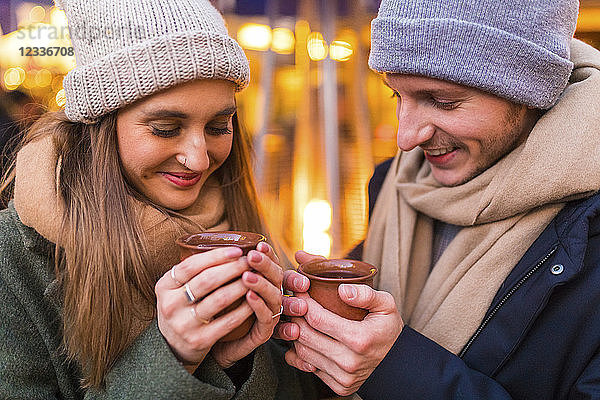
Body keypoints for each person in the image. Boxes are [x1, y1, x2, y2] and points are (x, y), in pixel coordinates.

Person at [276, 0, 600, 398]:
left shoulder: (589, 226)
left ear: (531, 92)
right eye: (397, 96)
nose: (405, 138)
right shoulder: (395, 183)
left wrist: (394, 366)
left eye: (443, 101)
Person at [0, 0, 320, 398]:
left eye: (219, 125)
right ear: (102, 123)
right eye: (167, 128)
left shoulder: (238, 221)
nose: (199, 158)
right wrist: (171, 356)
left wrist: (233, 360)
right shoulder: (14, 256)